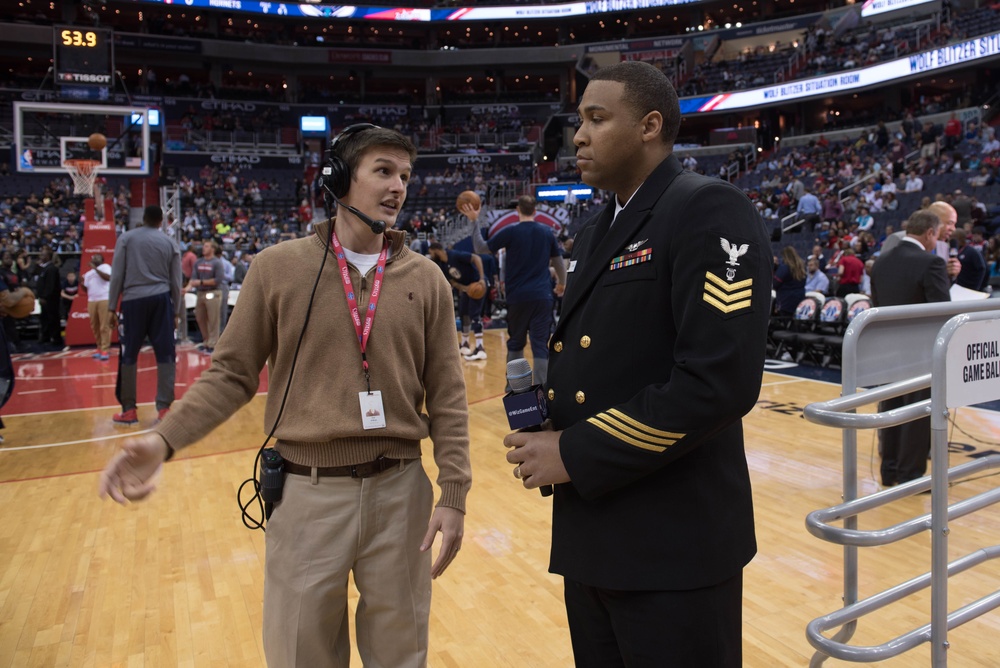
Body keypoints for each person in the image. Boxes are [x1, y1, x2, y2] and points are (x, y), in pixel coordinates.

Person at [98, 126, 470, 668]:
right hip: (306, 496)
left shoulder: (427, 277)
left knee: (402, 655)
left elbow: (449, 394)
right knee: (300, 655)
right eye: (383, 171)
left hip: (402, 493)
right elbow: (231, 374)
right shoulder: (278, 267)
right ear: (339, 180)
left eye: (405, 176)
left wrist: (454, 491)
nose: (398, 187)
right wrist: (163, 440)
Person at [503, 61, 771, 667]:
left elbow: (718, 382)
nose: (578, 136)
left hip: (672, 546)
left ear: (650, 125)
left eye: (598, 119)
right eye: (579, 121)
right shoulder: (599, 227)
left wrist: (574, 452)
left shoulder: (709, 209)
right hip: (596, 536)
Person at [870, 210, 950, 486]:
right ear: (930, 233)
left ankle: (889, 472)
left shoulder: (881, 263)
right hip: (920, 351)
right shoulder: (931, 263)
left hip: (887, 350)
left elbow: (876, 306)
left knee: (891, 409)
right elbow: (943, 310)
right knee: (917, 414)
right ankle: (909, 476)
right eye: (937, 235)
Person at [466, 195, 566, 382]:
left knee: (515, 343)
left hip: (518, 297)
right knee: (540, 345)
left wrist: (474, 221)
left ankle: (516, 392)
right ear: (535, 211)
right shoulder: (547, 232)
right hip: (542, 297)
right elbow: (559, 263)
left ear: (517, 211)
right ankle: (541, 394)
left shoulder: (510, 231)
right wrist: (561, 284)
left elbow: (481, 248)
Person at [107, 205, 183, 425]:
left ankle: (129, 410)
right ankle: (164, 409)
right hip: (161, 300)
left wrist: (112, 306)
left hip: (132, 301)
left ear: (144, 218)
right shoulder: (170, 243)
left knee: (128, 354)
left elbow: (117, 274)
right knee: (166, 354)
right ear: (161, 221)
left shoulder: (127, 239)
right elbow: (176, 282)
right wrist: (176, 311)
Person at [427, 241, 488, 359]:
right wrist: (465, 288)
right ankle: (464, 344)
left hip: (477, 285)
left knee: (474, 315)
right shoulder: (442, 266)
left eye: (431, 253)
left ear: (437, 250)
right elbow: (453, 282)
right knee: (463, 314)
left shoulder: (454, 255)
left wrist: (482, 278)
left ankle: (480, 348)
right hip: (467, 289)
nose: (431, 256)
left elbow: (476, 258)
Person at [191, 240, 225, 354]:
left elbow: (217, 280)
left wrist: (201, 282)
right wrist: (187, 288)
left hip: (213, 292)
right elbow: (193, 279)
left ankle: (213, 344)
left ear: (213, 249)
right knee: (200, 318)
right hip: (200, 293)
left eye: (206, 246)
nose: (203, 248)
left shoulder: (217, 263)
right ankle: (206, 340)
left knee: (213, 319)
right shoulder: (198, 262)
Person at [81, 254, 113, 361]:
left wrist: (95, 269)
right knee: (95, 326)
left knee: (104, 326)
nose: (94, 259)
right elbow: (86, 290)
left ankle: (105, 349)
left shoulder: (106, 267)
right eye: (93, 257)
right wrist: (81, 283)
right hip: (92, 300)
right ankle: (99, 347)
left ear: (102, 260)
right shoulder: (88, 274)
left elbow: (108, 278)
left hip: (104, 298)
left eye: (97, 257)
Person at [36, 247, 62, 349]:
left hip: (50, 300)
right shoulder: (44, 268)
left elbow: (50, 285)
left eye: (42, 255)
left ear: (47, 256)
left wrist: (44, 297)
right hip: (45, 299)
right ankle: (46, 336)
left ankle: (56, 338)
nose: (40, 256)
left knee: (52, 318)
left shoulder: (51, 269)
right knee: (45, 318)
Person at [773, 246, 807, 316]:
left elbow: (775, 283)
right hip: (800, 297)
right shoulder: (802, 266)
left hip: (786, 300)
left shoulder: (784, 267)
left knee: (785, 321)